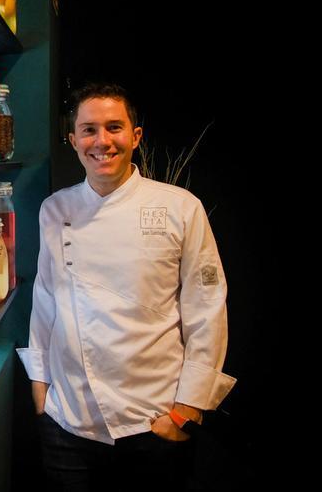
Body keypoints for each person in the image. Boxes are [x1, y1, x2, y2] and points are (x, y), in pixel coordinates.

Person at [16, 83, 236, 491]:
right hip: (68, 420)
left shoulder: (180, 206)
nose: (102, 141)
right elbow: (46, 299)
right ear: (73, 140)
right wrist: (40, 385)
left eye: (114, 127)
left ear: (135, 137)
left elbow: (207, 307)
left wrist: (187, 408)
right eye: (88, 130)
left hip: (153, 420)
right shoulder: (56, 209)